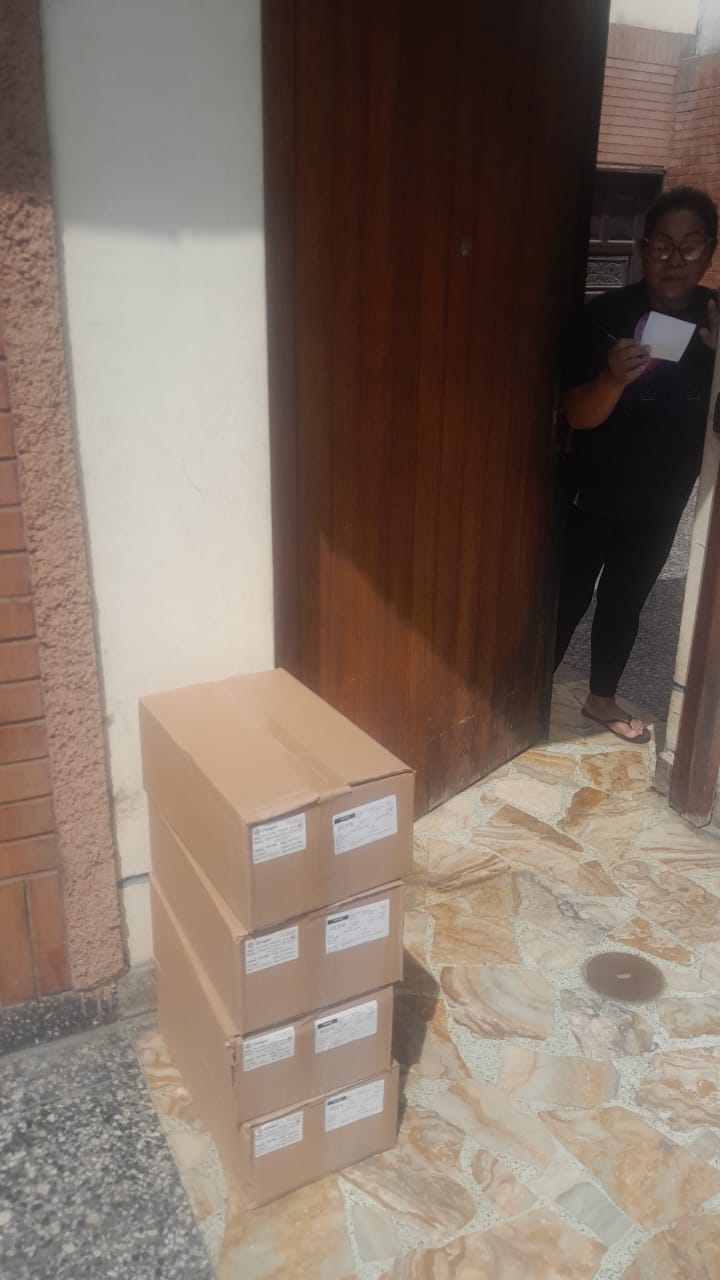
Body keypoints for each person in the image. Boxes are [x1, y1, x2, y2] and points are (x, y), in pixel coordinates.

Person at [554, 186, 719, 743]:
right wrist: (612, 377)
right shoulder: (605, 316)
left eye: (691, 246)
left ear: (709, 252)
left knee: (626, 602)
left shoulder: (715, 318)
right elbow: (578, 416)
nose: (675, 260)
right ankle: (525, 692)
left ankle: (600, 700)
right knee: (566, 597)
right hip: (590, 492)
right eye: (663, 245)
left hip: (662, 499)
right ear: (644, 248)